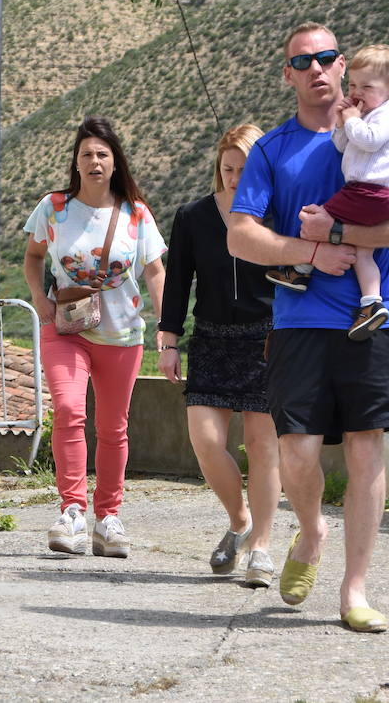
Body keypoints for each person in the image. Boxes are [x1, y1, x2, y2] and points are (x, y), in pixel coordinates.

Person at [228, 22, 389, 634]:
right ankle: (312, 530)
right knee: (299, 450)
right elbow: (241, 235)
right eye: (301, 62)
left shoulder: (384, 134)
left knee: (368, 447)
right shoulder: (272, 150)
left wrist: (338, 235)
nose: (315, 69)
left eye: (325, 58)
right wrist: (309, 254)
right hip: (299, 322)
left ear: (343, 66)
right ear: (287, 74)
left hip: (374, 316)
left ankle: (355, 591)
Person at [23, 116, 167, 559]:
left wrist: (168, 327)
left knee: (113, 426)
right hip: (66, 327)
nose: (94, 161)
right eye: (86, 154)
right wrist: (39, 300)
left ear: (114, 161)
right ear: (76, 162)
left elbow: (156, 271)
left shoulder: (136, 214)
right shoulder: (55, 207)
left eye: (102, 154)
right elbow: (32, 256)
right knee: (68, 409)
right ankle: (72, 511)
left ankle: (108, 517)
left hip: (122, 333)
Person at [157, 124, 281, 588]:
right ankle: (240, 519)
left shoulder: (277, 214)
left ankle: (263, 549)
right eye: (228, 169)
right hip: (209, 338)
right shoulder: (193, 216)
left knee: (264, 448)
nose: (234, 177)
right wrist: (169, 341)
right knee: (206, 441)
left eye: (244, 170)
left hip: (267, 338)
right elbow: (176, 283)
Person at [266, 44, 389, 340]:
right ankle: (372, 304)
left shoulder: (388, 115)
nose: (357, 92)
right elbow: (343, 146)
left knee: (314, 218)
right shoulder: (366, 115)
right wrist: (344, 123)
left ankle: (301, 268)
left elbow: (368, 141)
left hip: (368, 192)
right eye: (353, 85)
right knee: (364, 254)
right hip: (373, 196)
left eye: (367, 86)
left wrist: (353, 119)